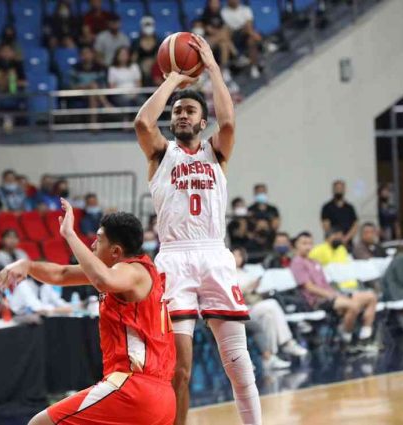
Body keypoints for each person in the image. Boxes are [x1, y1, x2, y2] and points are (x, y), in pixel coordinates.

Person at [134, 35, 260, 425]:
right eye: (178, 113)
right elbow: (142, 121)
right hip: (174, 257)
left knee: (239, 366)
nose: (182, 116)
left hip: (213, 252)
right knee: (180, 370)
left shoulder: (216, 151)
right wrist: (173, 79)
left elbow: (228, 120)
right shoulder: (161, 153)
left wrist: (213, 69)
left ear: (201, 122)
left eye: (189, 110)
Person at [0, 204, 176, 425]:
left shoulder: (132, 271)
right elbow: (61, 274)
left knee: (40, 424)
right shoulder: (127, 272)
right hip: (161, 397)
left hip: (133, 387)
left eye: (99, 240)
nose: (92, 244)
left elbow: (103, 281)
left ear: (116, 251)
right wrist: (27, 265)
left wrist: (70, 234)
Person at [291, 232, 378, 351]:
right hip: (317, 301)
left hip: (334, 295)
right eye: (304, 243)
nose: (308, 246)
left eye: (310, 243)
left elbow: (326, 284)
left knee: (370, 296)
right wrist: (331, 295)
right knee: (354, 306)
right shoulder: (297, 263)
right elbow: (309, 287)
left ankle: (365, 337)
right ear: (296, 245)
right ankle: (345, 339)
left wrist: (337, 293)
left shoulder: (314, 262)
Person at [234, 247, 307, 371]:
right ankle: (287, 343)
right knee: (272, 305)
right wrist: (247, 288)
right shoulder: (227, 274)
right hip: (241, 308)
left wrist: (257, 286)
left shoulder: (247, 272)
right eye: (234, 255)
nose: (237, 258)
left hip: (255, 304)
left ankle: (270, 357)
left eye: (240, 255)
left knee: (268, 316)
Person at [220, 0, 262, 78]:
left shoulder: (246, 9)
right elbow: (227, 28)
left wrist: (247, 31)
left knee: (251, 39)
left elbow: (249, 25)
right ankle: (236, 56)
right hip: (232, 37)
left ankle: (254, 66)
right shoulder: (223, 12)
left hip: (245, 34)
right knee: (225, 33)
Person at [321, 180, 358, 249]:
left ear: (344, 190)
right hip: (332, 242)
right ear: (333, 190)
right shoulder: (327, 207)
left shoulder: (350, 207)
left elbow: (355, 225)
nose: (339, 190)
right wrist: (335, 237)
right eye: (337, 188)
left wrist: (346, 238)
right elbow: (325, 225)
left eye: (341, 188)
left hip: (348, 242)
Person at [131, 16, 159, 86]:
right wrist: (142, 64)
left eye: (150, 25)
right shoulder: (136, 42)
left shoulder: (158, 41)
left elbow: (160, 56)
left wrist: (152, 62)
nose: (148, 27)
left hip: (155, 67)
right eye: (146, 25)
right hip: (140, 68)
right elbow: (133, 59)